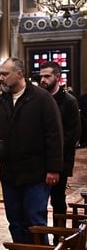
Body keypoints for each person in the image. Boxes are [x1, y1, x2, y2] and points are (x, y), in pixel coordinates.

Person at [0, 57, 63, 250]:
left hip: (36, 172)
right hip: (10, 172)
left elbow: (54, 134)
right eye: (1, 74)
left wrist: (54, 168)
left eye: (5, 74)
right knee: (15, 220)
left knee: (34, 220)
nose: (1, 78)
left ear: (19, 74)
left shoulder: (41, 98)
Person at [39, 61, 81, 240]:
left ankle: (59, 237)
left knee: (57, 199)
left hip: (60, 159)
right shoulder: (38, 98)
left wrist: (54, 148)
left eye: (47, 76)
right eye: (41, 76)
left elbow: (74, 133)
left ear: (57, 77)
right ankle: (39, 239)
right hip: (38, 158)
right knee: (38, 201)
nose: (43, 80)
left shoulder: (69, 101)